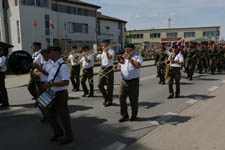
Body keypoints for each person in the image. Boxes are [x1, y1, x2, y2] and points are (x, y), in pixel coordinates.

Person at [43, 46, 73, 145]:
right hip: (51, 92)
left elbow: (66, 82)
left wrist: (51, 84)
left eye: (50, 53)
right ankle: (58, 132)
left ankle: (69, 136)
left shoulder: (63, 65)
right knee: (48, 113)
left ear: (56, 53)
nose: (49, 54)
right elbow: (51, 77)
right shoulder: (53, 64)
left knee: (63, 116)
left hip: (60, 94)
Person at [116, 44, 143, 122]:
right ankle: (124, 115)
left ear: (133, 49)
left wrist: (130, 59)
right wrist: (117, 67)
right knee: (121, 98)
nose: (126, 50)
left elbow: (138, 66)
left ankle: (134, 116)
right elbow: (119, 65)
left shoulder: (138, 56)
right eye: (126, 49)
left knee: (133, 100)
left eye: (128, 49)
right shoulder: (123, 56)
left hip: (133, 81)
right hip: (124, 81)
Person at [32, 49, 54, 122]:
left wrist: (38, 68)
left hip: (48, 84)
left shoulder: (51, 63)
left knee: (47, 103)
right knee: (41, 102)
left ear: (49, 54)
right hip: (42, 83)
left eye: (45, 55)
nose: (43, 56)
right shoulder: (44, 62)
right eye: (42, 55)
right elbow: (41, 72)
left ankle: (50, 117)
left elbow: (48, 74)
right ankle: (46, 116)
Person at [96, 40, 115, 107]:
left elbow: (110, 57)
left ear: (108, 44)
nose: (104, 45)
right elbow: (97, 59)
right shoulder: (101, 51)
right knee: (99, 84)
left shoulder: (111, 51)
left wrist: (106, 51)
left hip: (109, 69)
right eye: (103, 44)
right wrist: (95, 55)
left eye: (106, 44)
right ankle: (106, 97)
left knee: (109, 86)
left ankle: (110, 100)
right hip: (102, 69)